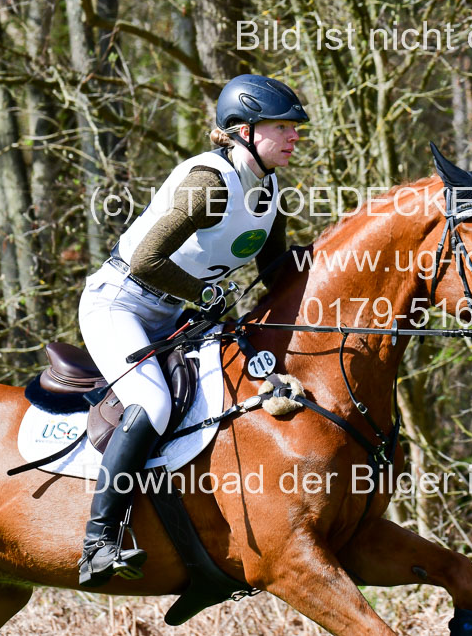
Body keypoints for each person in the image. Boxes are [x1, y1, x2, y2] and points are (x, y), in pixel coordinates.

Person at [76, 74, 307, 587]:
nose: (294, 136)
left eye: (294, 128)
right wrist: (204, 294)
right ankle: (98, 541)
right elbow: (146, 259)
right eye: (282, 127)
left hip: (175, 313)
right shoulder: (209, 183)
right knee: (152, 403)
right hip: (120, 302)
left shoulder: (269, 189)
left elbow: (276, 272)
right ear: (245, 131)